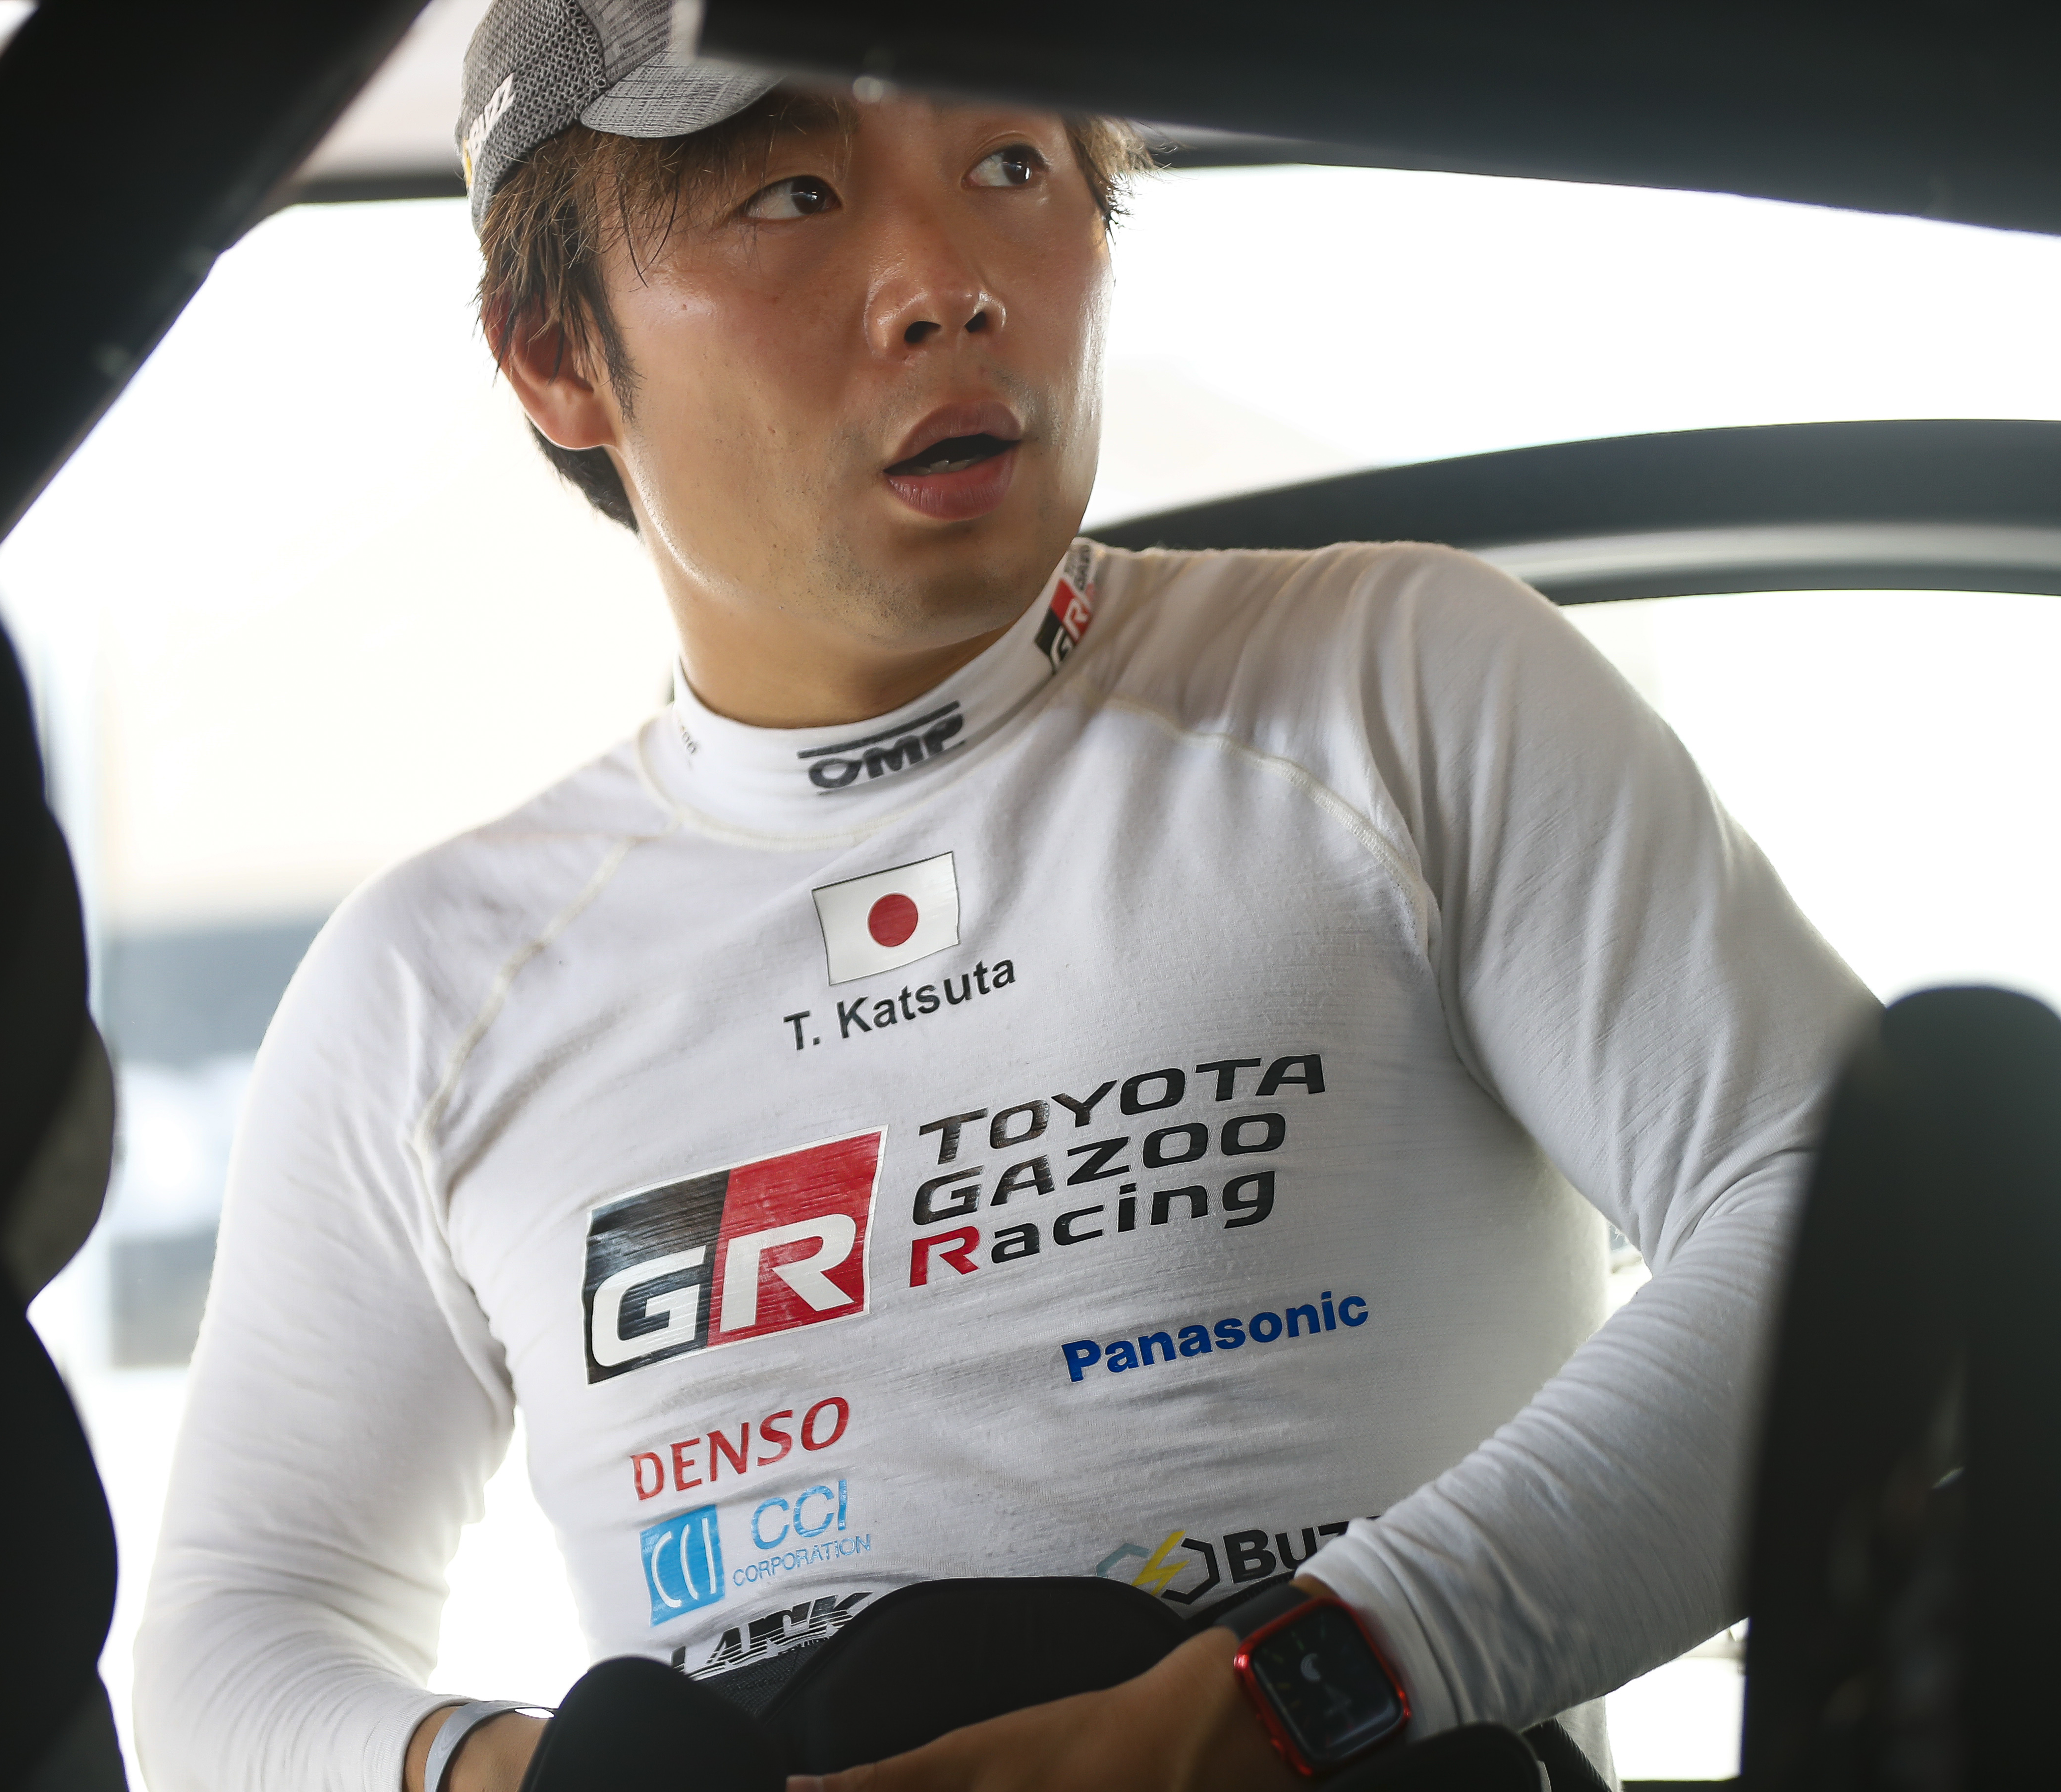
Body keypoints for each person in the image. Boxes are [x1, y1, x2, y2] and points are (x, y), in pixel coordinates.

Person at [134, 3, 1867, 1790]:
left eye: (1015, 165)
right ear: (558, 352)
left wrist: (1289, 1695)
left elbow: (1873, 1228)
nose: (948, 286)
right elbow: (230, 1647)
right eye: (794, 194)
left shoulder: (1403, 686)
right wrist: (539, 1778)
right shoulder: (427, 986)